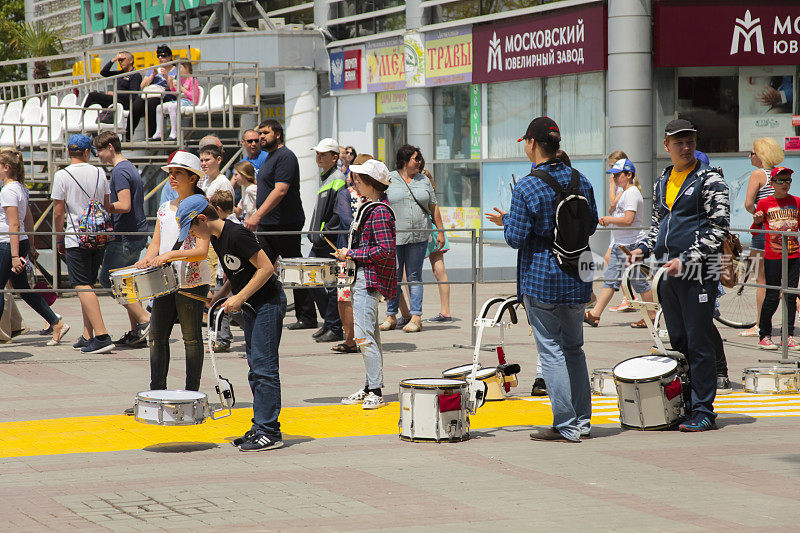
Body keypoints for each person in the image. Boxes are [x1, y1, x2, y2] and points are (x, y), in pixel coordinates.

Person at [485, 116, 598, 443]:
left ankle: (566, 425)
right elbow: (589, 227)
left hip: (542, 278)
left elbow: (517, 238)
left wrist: (507, 222)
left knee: (551, 351)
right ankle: (583, 423)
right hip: (578, 277)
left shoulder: (527, 185)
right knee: (575, 349)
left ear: (532, 143)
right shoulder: (581, 180)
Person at [630, 119, 730, 432]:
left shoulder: (710, 178)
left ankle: (703, 411)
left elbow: (719, 228)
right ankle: (684, 406)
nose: (686, 148)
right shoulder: (663, 180)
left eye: (690, 142)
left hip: (698, 271)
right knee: (678, 343)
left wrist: (686, 259)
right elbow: (658, 226)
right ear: (667, 146)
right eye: (679, 143)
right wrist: (641, 249)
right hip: (666, 274)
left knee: (699, 343)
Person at [189, 197, 286, 451]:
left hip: (267, 303)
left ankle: (270, 431)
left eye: (191, 228)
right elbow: (238, 272)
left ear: (202, 219)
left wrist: (240, 298)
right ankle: (260, 426)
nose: (192, 234)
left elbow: (266, 268)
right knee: (255, 369)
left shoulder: (236, 234)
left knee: (265, 369)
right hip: (253, 305)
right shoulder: (219, 239)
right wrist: (220, 297)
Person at [130, 151, 212, 410]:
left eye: (178, 173)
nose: (172, 177)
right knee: (156, 336)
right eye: (171, 173)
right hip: (163, 279)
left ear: (192, 177)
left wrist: (169, 255)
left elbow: (201, 250)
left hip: (192, 279)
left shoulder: (202, 208)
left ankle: (191, 396)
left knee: (191, 337)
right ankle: (156, 394)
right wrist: (147, 258)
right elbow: (156, 241)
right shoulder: (165, 207)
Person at [244, 119, 317, 330]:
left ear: (277, 134)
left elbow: (280, 190)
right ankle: (262, 307)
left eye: (265, 133)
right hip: (270, 224)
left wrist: (257, 215)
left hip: (283, 223)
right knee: (261, 267)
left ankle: (307, 316)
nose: (260, 137)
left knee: (294, 268)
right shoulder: (270, 157)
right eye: (259, 133)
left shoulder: (285, 156)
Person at [336, 158, 396, 409]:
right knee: (370, 336)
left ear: (371, 183)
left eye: (359, 180)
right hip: (364, 278)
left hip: (368, 280)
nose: (355, 184)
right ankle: (371, 385)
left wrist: (351, 254)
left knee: (363, 338)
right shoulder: (372, 206)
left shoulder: (379, 211)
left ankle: (376, 390)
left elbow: (386, 249)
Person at [52, 135, 116, 353]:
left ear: (69, 152)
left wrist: (58, 237)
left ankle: (101, 335)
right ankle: (88, 335)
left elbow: (58, 211)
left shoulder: (62, 175)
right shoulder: (100, 172)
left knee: (81, 285)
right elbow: (106, 205)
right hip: (97, 235)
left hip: (75, 236)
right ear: (88, 152)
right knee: (88, 284)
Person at [0, 149, 69, 346]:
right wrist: (29, 245)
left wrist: (15, 255)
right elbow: (27, 219)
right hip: (17, 242)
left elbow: (14, 224)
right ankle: (56, 322)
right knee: (23, 289)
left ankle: (55, 321)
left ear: (6, 168)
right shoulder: (20, 187)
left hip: (8, 244)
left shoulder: (8, 191)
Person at [94, 132, 150, 347]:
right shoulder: (129, 167)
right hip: (135, 233)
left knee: (109, 280)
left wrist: (106, 206)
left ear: (110, 147)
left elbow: (124, 205)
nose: (98, 155)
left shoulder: (119, 171)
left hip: (126, 235)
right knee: (128, 284)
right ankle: (139, 332)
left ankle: (145, 320)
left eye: (99, 150)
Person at [584, 159, 656, 328]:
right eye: (614, 175)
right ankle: (651, 317)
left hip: (627, 245)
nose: (615, 178)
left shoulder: (631, 193)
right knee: (635, 281)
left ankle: (595, 315)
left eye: (617, 175)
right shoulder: (626, 192)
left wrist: (609, 220)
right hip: (626, 244)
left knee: (616, 281)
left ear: (629, 175)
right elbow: (616, 209)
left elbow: (629, 219)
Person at [381, 145, 444, 333]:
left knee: (414, 275)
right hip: (395, 235)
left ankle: (416, 317)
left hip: (419, 234)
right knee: (394, 275)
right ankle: (391, 315)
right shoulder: (389, 179)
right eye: (415, 158)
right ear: (404, 161)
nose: (419, 161)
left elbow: (433, 206)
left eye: (419, 158)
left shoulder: (423, 179)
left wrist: (440, 231)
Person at [741, 137, 785, 338]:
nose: (750, 155)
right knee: (781, 279)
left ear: (760, 155)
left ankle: (759, 324)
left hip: (763, 231)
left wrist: (758, 214)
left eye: (752, 152)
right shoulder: (780, 173)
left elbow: (749, 204)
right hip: (780, 231)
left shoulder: (758, 174)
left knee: (762, 280)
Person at [752, 166, 799, 350]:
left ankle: (787, 335)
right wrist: (757, 220)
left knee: (790, 295)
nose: (785, 184)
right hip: (773, 255)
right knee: (772, 295)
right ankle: (764, 334)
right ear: (772, 183)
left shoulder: (796, 202)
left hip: (794, 254)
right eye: (781, 180)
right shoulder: (764, 203)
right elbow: (754, 231)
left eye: (788, 180)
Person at [307, 138, 346, 343]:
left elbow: (339, 215)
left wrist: (323, 234)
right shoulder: (327, 177)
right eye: (317, 153)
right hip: (320, 241)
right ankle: (329, 321)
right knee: (312, 281)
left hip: (328, 242)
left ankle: (335, 327)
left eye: (323, 154)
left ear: (334, 157)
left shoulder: (338, 178)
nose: (319, 157)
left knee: (331, 285)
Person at [332, 154, 370, 353]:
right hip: (346, 254)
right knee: (344, 295)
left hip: (368, 253)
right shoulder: (345, 194)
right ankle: (350, 338)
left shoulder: (379, 197)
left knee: (365, 295)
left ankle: (365, 336)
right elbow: (346, 221)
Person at [207, 190, 240, 353]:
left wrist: (228, 269)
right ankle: (222, 338)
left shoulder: (231, 226)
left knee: (229, 308)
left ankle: (223, 339)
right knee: (222, 306)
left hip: (228, 273)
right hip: (225, 271)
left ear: (218, 209)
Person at [83, 51, 142, 138]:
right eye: (119, 61)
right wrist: (113, 60)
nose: (120, 62)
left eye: (122, 60)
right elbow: (103, 72)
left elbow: (133, 95)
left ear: (130, 60)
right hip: (115, 100)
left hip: (125, 102)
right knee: (93, 101)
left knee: (93, 95)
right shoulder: (120, 73)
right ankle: (90, 129)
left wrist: (115, 94)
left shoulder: (135, 75)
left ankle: (82, 120)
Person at [421, 167, 452, 323]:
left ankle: (412, 313)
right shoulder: (431, 189)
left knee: (409, 271)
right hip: (436, 229)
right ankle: (445, 311)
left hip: (424, 231)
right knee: (440, 270)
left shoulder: (420, 188)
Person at [136, 44, 178, 139]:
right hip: (153, 94)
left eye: (163, 55)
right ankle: (128, 136)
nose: (160, 58)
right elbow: (142, 86)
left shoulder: (176, 70)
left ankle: (153, 134)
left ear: (170, 57)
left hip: (168, 96)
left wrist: (166, 76)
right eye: (158, 55)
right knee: (137, 104)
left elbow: (174, 88)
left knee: (152, 104)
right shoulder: (154, 69)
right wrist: (152, 76)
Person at [152, 61, 200, 141]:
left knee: (172, 106)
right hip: (181, 101)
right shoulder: (181, 79)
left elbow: (194, 97)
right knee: (159, 107)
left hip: (189, 102)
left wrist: (182, 88)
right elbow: (175, 93)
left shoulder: (193, 80)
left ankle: (174, 132)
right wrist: (170, 82)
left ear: (187, 68)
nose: (178, 70)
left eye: (180, 67)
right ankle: (158, 132)